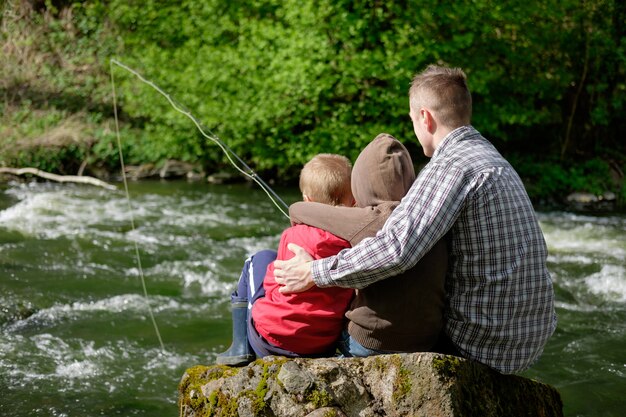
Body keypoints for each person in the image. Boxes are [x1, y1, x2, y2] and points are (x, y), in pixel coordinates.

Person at [273, 65, 557, 374]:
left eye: (412, 119)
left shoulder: (451, 167)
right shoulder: (493, 159)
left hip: (481, 345)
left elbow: (396, 250)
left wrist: (314, 272)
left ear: (425, 117)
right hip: (528, 338)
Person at [289, 133, 447, 356]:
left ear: (361, 182)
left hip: (372, 343)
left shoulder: (369, 219)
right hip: (427, 340)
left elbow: (297, 209)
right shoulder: (426, 216)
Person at [216, 153, 355, 366]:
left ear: (306, 200)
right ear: (353, 199)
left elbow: (275, 287)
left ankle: (240, 346)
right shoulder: (353, 241)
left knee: (257, 260)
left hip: (271, 343)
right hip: (322, 346)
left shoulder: (293, 236)